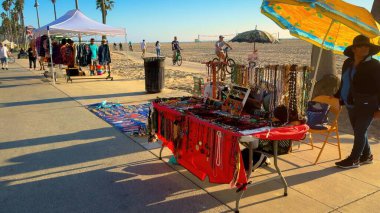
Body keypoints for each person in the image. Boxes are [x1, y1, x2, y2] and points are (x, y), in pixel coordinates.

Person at [334, 35, 380, 169]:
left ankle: (354, 159)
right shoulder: (347, 63)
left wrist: (379, 109)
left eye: (367, 46)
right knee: (359, 131)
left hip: (367, 104)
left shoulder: (374, 65)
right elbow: (344, 81)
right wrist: (338, 95)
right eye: (361, 46)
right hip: (350, 103)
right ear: (354, 49)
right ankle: (367, 155)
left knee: (360, 131)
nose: (364, 48)